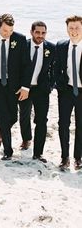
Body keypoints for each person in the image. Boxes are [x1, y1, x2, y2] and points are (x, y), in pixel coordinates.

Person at [0, 13, 31, 160]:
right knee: (4, 115)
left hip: (13, 84)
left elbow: (26, 65)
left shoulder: (20, 39)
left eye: (10, 31)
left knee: (13, 117)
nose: (7, 34)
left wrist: (25, 86)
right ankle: (8, 151)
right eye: (5, 31)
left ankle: (0, 132)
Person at [18, 21, 55, 163]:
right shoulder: (24, 46)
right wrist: (21, 86)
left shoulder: (51, 48)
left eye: (43, 33)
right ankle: (26, 139)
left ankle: (38, 153)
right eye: (37, 32)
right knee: (24, 114)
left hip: (42, 89)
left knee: (41, 120)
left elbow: (54, 68)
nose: (40, 35)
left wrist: (50, 86)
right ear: (31, 32)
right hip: (24, 87)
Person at [55, 15, 82, 171]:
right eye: (71, 28)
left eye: (77, 27)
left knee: (80, 125)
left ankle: (78, 157)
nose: (74, 31)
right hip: (66, 91)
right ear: (67, 29)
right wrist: (60, 85)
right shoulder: (61, 45)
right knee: (63, 124)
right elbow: (56, 68)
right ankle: (64, 157)